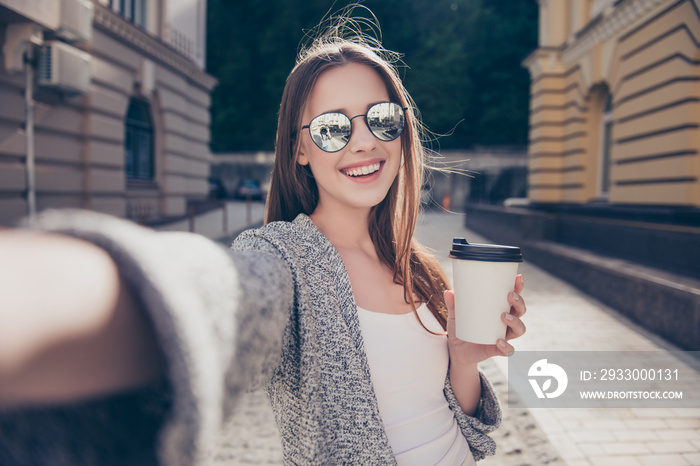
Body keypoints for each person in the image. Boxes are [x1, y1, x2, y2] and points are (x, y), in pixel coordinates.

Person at [0, 10, 526, 466]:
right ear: (299, 149)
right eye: (331, 128)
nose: (363, 141)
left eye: (381, 119)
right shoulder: (284, 257)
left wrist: (462, 358)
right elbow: (220, 295)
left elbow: (456, 423)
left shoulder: (415, 264)